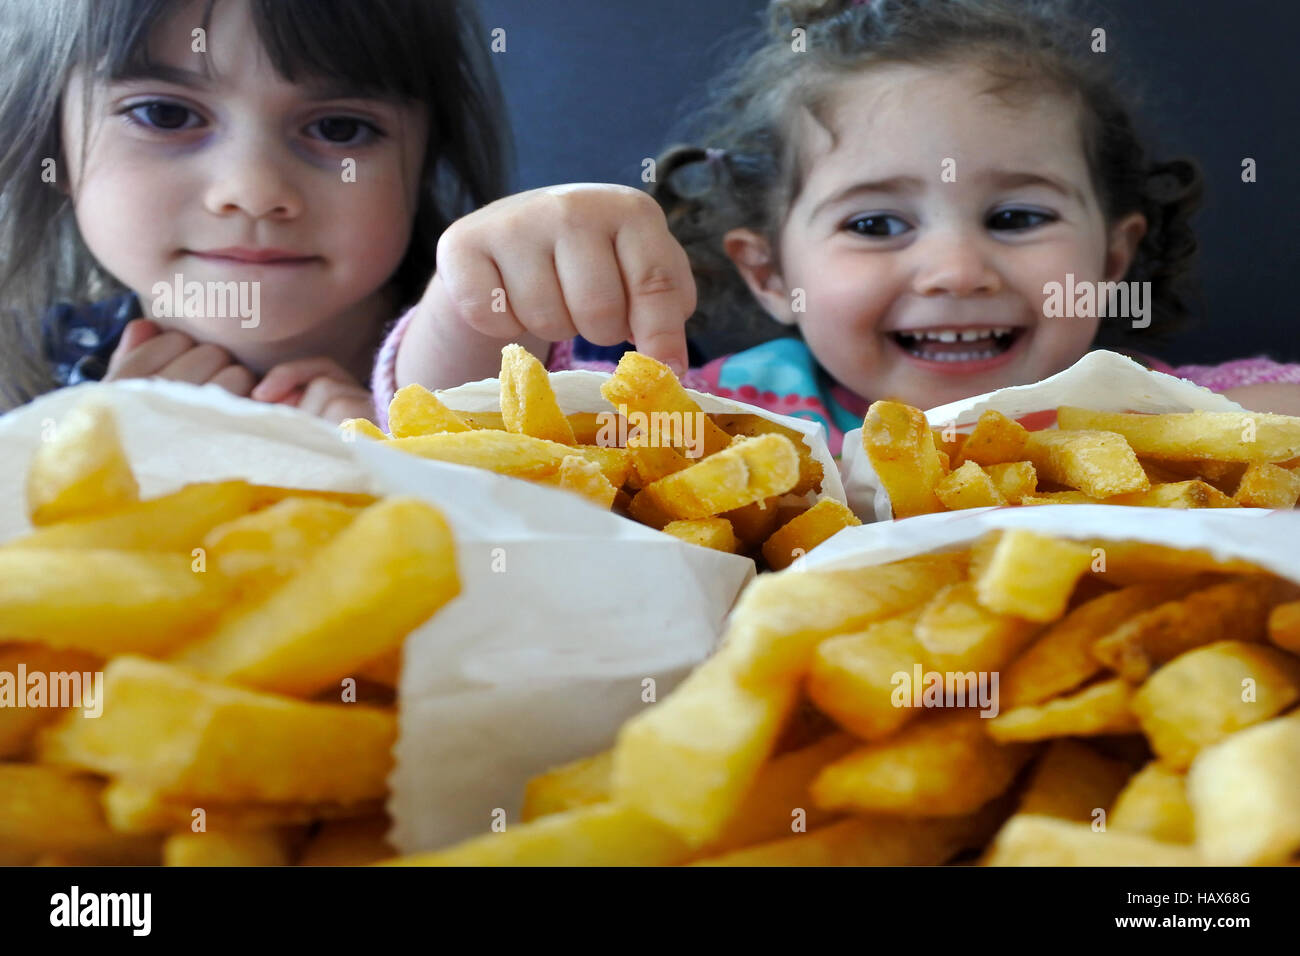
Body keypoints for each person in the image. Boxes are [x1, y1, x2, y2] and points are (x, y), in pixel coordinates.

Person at [374, 0, 1300, 452]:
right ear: (771, 273)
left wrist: (1191, 428)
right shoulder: (719, 418)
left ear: (1114, 255)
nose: (953, 268)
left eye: (1016, 217)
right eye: (876, 223)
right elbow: (472, 434)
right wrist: (475, 303)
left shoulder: (1166, 412)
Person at [0, 0, 688, 427]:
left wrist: (396, 468)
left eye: (339, 129)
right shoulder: (34, 383)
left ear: (424, 160)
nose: (254, 189)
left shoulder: (571, 352)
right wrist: (87, 467)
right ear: (49, 136)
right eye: (165, 114)